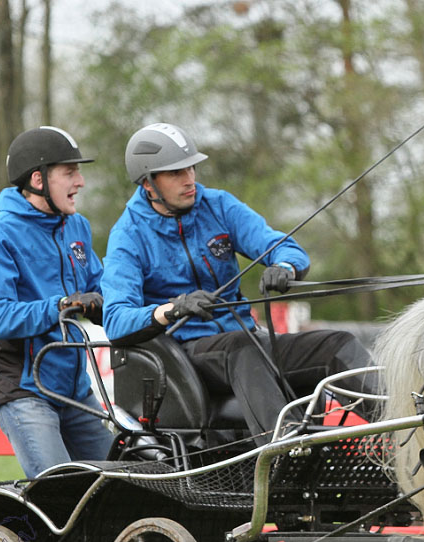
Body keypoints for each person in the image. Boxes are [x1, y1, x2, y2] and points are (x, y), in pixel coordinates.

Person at [102, 123, 376, 445]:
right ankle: (286, 449)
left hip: (247, 340)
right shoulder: (128, 236)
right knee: (242, 349)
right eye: (176, 173)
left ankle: (402, 429)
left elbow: (285, 247)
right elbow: (117, 320)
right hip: (188, 355)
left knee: (337, 344)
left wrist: (284, 266)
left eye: (191, 167)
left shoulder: (218, 206)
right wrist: (172, 308)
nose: (190, 179)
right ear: (148, 183)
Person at [0, 126, 114, 478]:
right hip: (24, 390)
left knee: (124, 484)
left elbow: (101, 291)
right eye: (69, 172)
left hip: (75, 389)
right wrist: (62, 305)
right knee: (60, 493)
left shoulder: (77, 228)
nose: (81, 181)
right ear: (38, 180)